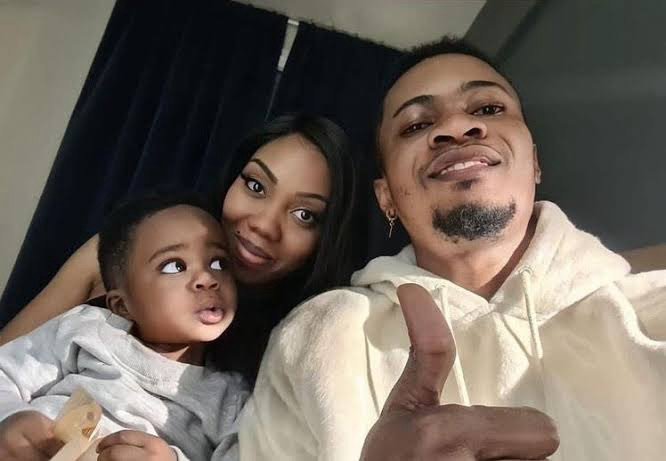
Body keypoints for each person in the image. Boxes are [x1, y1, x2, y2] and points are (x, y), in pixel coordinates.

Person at [240, 37, 666, 460]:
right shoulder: (316, 338)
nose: (457, 127)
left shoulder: (652, 314)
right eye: (416, 125)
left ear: (534, 161)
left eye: (488, 109)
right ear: (387, 197)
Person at [0, 114, 361, 385]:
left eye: (304, 215)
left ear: (327, 239)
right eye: (255, 185)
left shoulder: (297, 353)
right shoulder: (127, 250)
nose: (264, 225)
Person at [0, 194, 247, 461]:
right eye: (175, 266)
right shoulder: (89, 329)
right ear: (123, 305)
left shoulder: (232, 398)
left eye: (219, 263)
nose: (207, 279)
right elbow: (5, 372)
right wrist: (11, 417)